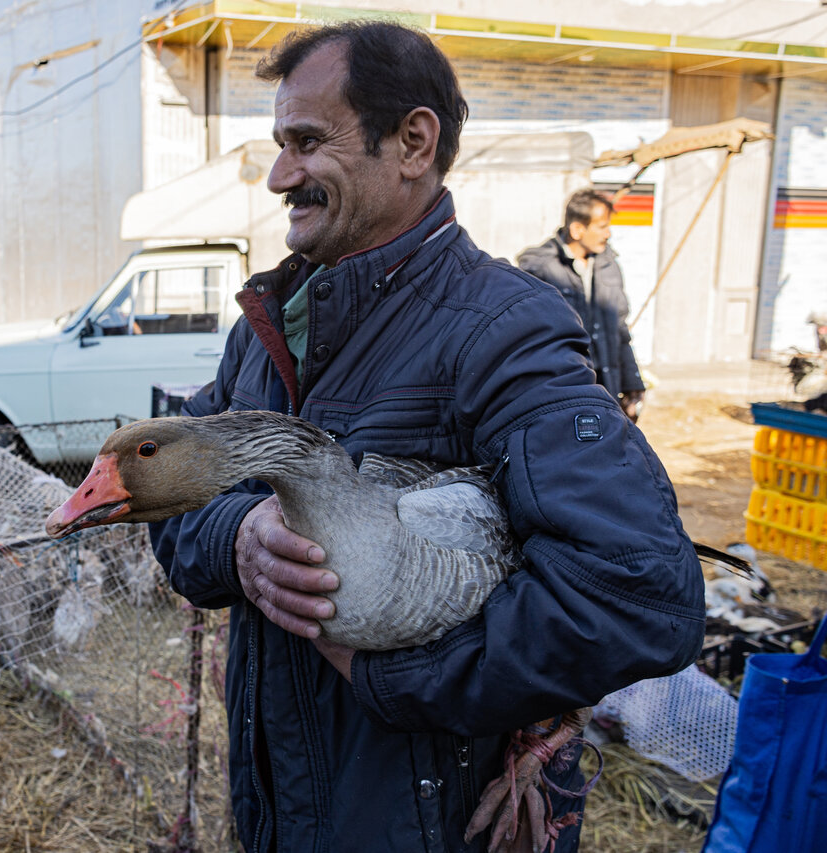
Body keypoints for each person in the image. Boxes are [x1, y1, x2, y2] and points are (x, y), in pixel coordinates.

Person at [147, 21, 703, 853]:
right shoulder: (264, 331)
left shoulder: (504, 334)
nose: (278, 176)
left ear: (412, 142)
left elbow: (639, 598)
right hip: (277, 813)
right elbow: (174, 514)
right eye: (278, 144)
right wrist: (240, 540)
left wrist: (387, 669)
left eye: (306, 142)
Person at [518, 189, 647, 422]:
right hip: (561, 395)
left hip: (607, 390)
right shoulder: (539, 269)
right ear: (578, 229)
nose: (608, 234)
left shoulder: (608, 264)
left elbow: (620, 329)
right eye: (602, 226)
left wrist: (632, 383)